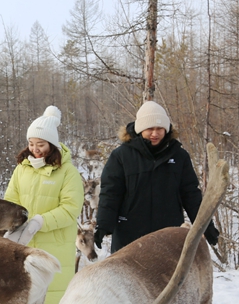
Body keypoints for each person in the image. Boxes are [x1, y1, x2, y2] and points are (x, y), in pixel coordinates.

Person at [4, 106, 84, 304]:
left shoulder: (67, 172)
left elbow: (71, 209)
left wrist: (40, 221)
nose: (35, 149)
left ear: (52, 144)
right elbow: (10, 200)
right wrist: (12, 222)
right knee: (24, 293)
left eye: (40, 144)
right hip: (24, 243)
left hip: (54, 242)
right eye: (31, 143)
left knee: (51, 296)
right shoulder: (22, 168)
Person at [94, 100, 220, 254]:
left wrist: (206, 227)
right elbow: (111, 193)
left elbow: (191, 194)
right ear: (140, 128)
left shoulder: (179, 156)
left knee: (167, 277)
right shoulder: (121, 156)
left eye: (160, 128)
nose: (155, 133)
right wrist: (103, 225)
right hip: (130, 235)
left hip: (168, 235)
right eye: (150, 129)